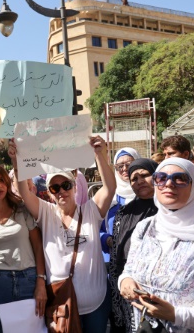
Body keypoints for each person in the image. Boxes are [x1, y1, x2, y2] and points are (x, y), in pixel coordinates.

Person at [9, 136, 116, 332]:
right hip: (61, 305)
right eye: (54, 187)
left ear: (75, 187)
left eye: (66, 185)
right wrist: (17, 163)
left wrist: (100, 155)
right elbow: (25, 192)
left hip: (96, 305)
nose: (61, 191)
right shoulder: (46, 212)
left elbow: (110, 188)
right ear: (49, 192)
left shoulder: (91, 211)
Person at [119, 157, 194, 331]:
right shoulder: (146, 227)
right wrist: (125, 281)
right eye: (161, 177)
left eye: (180, 178)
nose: (169, 184)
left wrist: (175, 314)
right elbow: (129, 270)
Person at [0, 163, 47, 333]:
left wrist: (41, 281)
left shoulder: (21, 208)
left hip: (29, 281)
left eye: (2, 180)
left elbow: (37, 246)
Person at [108, 158, 158, 332]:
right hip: (125, 285)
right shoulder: (124, 212)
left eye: (144, 175)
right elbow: (116, 252)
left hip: (153, 288)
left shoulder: (167, 210)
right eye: (134, 179)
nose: (139, 181)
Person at [101, 147, 141, 265]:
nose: (124, 169)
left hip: (140, 260)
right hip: (115, 261)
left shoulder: (147, 193)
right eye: (120, 166)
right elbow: (97, 228)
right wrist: (106, 239)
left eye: (129, 164)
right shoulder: (109, 197)